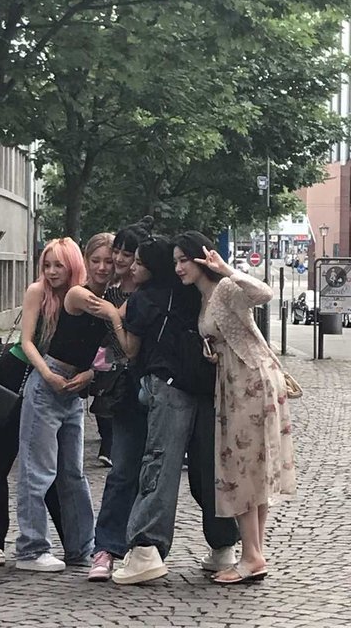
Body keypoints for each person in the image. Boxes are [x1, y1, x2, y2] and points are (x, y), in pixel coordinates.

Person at [87, 235, 238, 585]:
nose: (131, 266)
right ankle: (223, 545)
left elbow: (130, 349)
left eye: (138, 261)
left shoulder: (145, 298)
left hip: (167, 385)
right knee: (206, 468)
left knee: (159, 463)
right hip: (204, 386)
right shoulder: (194, 292)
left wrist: (114, 316)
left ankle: (146, 548)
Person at [173, 230, 296, 584]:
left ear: (201, 259)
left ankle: (252, 555)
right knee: (250, 465)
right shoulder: (202, 297)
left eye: (184, 260)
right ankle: (254, 554)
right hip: (233, 381)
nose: (179, 268)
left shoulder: (225, 288)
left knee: (241, 466)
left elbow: (264, 293)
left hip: (250, 381)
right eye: (176, 262)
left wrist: (226, 269)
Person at [0, 237, 84, 566]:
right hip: (17, 375)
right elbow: (28, 342)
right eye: (47, 265)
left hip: (50, 381)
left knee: (52, 463)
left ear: (73, 266)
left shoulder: (79, 296)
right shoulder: (37, 291)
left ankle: (76, 542)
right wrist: (47, 374)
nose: (52, 271)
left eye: (59, 265)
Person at [15, 233, 115, 572]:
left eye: (109, 261)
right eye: (96, 260)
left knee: (72, 473)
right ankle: (31, 549)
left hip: (74, 390)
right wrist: (47, 375)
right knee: (37, 471)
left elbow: (105, 353)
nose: (103, 267)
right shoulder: (77, 295)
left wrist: (90, 374)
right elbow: (28, 342)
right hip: (47, 384)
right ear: (85, 261)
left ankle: (81, 548)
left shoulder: (97, 295)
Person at [88, 219, 152, 582]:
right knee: (122, 471)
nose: (121, 260)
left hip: (155, 387)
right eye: (119, 252)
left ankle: (144, 548)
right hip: (122, 391)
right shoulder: (107, 293)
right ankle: (107, 548)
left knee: (154, 475)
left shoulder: (153, 293)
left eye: (130, 254)